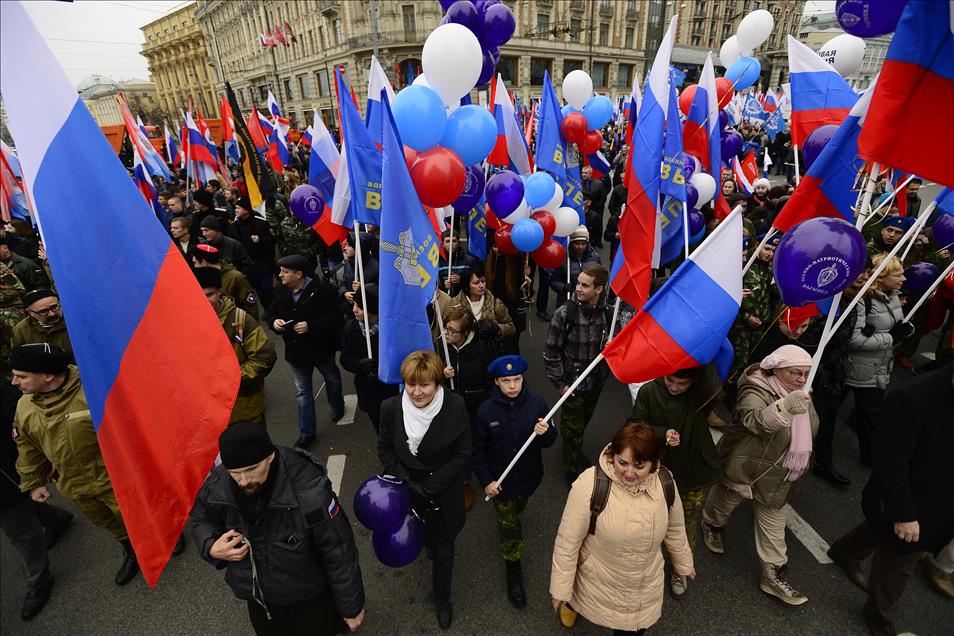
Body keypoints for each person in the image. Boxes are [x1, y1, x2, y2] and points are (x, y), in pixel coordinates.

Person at [190, 422, 365, 635]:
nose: (244, 481)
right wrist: (210, 546)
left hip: (309, 599)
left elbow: (338, 551)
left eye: (252, 469)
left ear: (270, 456)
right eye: (235, 473)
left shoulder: (310, 493)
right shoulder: (218, 483)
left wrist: (351, 607)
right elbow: (201, 519)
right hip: (260, 599)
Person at [827, 364, 954, 635]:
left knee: (881, 527)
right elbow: (890, 461)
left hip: (938, 501)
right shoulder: (914, 397)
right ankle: (880, 618)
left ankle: (845, 552)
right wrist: (903, 512)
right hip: (911, 500)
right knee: (900, 559)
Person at [10, 344, 140, 586]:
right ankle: (130, 548)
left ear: (47, 375)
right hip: (74, 485)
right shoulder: (24, 406)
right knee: (105, 520)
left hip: (115, 478)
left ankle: (163, 541)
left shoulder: (95, 390)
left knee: (138, 514)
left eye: (22, 376)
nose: (14, 381)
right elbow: (27, 447)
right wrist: (34, 482)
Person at [550, 422, 695, 634]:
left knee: (634, 628)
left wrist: (683, 562)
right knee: (581, 595)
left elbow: (675, 527)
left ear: (653, 463)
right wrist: (561, 590)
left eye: (639, 466)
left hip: (644, 583)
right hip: (597, 574)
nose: (629, 473)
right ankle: (572, 603)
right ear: (612, 455)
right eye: (622, 462)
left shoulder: (665, 482)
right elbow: (568, 542)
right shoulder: (589, 484)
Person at [702, 344, 818, 605]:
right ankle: (711, 524)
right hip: (745, 467)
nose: (802, 380)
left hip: (778, 475)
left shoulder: (801, 391)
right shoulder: (755, 388)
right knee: (724, 503)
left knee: (774, 528)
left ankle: (773, 575)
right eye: (796, 373)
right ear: (777, 369)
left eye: (806, 374)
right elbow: (753, 420)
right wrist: (785, 408)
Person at [377, 351, 471, 630]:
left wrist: (429, 487)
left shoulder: (455, 406)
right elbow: (385, 448)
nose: (416, 392)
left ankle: (442, 600)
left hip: (442, 493)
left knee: (444, 551)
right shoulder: (390, 408)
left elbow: (462, 455)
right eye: (411, 384)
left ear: (438, 383)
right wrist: (407, 482)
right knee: (421, 536)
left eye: (424, 385)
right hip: (409, 492)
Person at [630, 365, 722, 599]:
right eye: (670, 380)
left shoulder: (699, 395)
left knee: (686, 521)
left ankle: (679, 569)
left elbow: (713, 387)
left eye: (682, 384)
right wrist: (661, 434)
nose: (674, 387)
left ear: (693, 381)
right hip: (656, 471)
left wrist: (704, 351)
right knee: (648, 518)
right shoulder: (649, 391)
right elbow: (636, 427)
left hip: (693, 472)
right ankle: (640, 566)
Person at [473, 354, 555, 608]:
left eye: (517, 379)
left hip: (528, 478)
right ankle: (513, 569)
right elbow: (477, 450)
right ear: (496, 382)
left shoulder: (538, 404)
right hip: (502, 484)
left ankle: (514, 523)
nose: (512, 385)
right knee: (509, 528)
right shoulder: (485, 411)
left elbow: (550, 440)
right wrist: (486, 481)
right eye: (506, 380)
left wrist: (546, 432)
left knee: (520, 508)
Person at [1, 381, 74, 621]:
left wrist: (39, 462)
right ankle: (56, 519)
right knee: (19, 511)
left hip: (9, 469)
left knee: (18, 528)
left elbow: (21, 419)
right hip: (11, 476)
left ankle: (39, 580)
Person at [266, 254, 345, 447]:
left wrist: (312, 325)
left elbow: (335, 315)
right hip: (296, 353)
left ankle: (337, 405)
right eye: (281, 271)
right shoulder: (281, 292)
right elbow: (270, 313)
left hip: (320, 349)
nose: (281, 275)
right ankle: (307, 432)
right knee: (303, 393)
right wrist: (274, 322)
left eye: (285, 272)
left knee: (332, 378)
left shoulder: (322, 290)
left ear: (299, 274)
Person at [544, 264, 612, 487]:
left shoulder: (608, 315)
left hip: (596, 384)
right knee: (571, 430)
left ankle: (573, 450)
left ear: (599, 289)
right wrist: (561, 384)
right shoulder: (565, 313)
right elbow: (551, 351)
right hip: (572, 387)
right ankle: (571, 469)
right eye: (578, 283)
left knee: (582, 424)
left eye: (585, 285)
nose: (578, 288)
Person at [843, 254, 910, 466]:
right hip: (856, 367)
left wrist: (905, 331)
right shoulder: (864, 300)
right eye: (898, 275)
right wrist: (891, 337)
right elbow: (855, 341)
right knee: (829, 408)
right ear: (881, 277)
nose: (904, 279)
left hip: (879, 367)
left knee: (870, 415)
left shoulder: (893, 296)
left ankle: (870, 457)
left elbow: (895, 327)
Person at [194, 268, 276, 425]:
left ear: (219, 292)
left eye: (209, 294)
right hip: (210, 415)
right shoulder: (188, 323)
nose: (205, 300)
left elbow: (264, 358)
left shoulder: (240, 319)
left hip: (246, 410)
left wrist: (230, 381)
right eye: (200, 295)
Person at [439, 307, 499, 509]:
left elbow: (492, 380)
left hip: (477, 407)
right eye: (445, 328)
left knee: (478, 443)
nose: (445, 333)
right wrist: (441, 375)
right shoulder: (442, 345)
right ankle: (465, 483)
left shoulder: (483, 348)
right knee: (459, 445)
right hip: (451, 408)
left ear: (465, 333)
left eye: (451, 330)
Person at [338, 284, 398, 432]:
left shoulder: (391, 329)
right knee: (379, 427)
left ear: (372, 309)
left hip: (392, 390)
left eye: (360, 306)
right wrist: (359, 365)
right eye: (354, 305)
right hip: (368, 390)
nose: (354, 310)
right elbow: (345, 359)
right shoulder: (350, 328)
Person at [447, 268, 515, 347]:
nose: (482, 286)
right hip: (463, 353)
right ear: (466, 286)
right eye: (476, 283)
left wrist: (496, 329)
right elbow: (446, 330)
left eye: (483, 281)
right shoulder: (454, 304)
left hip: (488, 353)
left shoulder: (495, 303)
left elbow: (511, 328)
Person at [229, 196, 277, 307]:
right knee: (255, 293)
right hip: (246, 267)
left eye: (238, 208)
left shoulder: (261, 223)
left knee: (267, 290)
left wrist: (260, 240)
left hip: (263, 265)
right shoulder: (233, 227)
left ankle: (274, 312)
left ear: (246, 209)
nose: (235, 210)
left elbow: (272, 242)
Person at [192, 244, 261, 320]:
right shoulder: (201, 278)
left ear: (204, 262)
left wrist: (250, 327)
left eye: (195, 263)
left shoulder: (236, 277)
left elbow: (251, 307)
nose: (194, 266)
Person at [11, 288, 74, 357]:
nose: (51, 314)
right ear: (30, 312)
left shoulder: (75, 322)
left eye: (54, 307)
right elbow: (19, 359)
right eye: (43, 311)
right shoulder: (21, 330)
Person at [549, 227, 601, 307]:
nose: (580, 247)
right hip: (567, 301)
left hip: (588, 302)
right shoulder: (562, 258)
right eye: (577, 243)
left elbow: (600, 279)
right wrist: (563, 287)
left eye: (583, 244)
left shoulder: (595, 258)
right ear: (571, 243)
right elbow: (553, 281)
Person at [332, 232, 379, 320]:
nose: (345, 248)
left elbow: (380, 292)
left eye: (349, 246)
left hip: (368, 315)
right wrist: (344, 293)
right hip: (351, 312)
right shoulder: (348, 264)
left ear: (360, 248)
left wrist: (363, 288)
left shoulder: (376, 268)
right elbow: (342, 283)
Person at [438, 229, 478, 298]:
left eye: (454, 241)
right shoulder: (438, 262)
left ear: (458, 242)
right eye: (447, 241)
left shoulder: (469, 261)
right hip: (444, 301)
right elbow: (434, 286)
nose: (451, 244)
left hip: (464, 300)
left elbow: (477, 283)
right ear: (443, 244)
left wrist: (461, 280)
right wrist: (443, 285)